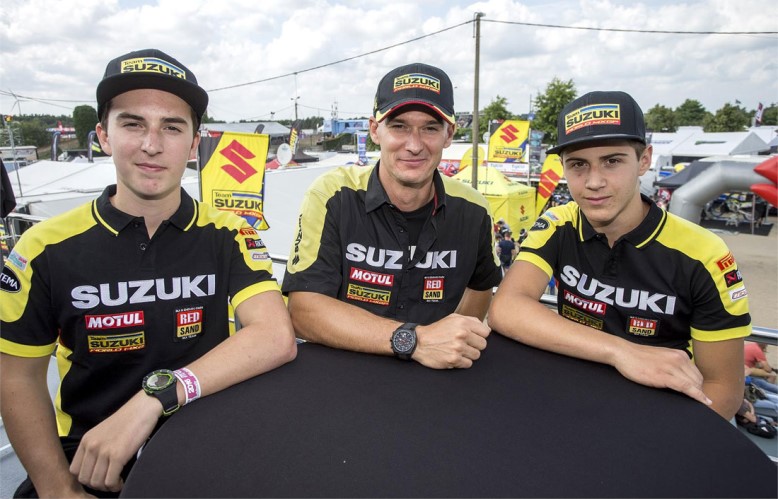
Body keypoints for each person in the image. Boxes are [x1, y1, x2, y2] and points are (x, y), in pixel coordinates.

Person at [0, 48, 297, 497]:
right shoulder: (42, 247)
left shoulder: (230, 233)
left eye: (172, 127)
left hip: (206, 454)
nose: (152, 145)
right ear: (103, 135)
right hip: (85, 463)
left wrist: (155, 398)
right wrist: (56, 488)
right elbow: (18, 377)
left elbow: (275, 335)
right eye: (133, 124)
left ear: (194, 144)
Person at [488, 90, 750, 420]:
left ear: (644, 160)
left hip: (661, 414)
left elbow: (723, 388)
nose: (594, 182)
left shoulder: (705, 253)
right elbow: (506, 308)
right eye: (578, 164)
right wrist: (622, 352)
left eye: (612, 161)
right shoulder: (559, 223)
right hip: (571, 402)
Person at [282, 62, 502, 369]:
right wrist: (415, 340)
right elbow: (303, 310)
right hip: (344, 373)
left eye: (430, 128)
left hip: (436, 380)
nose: (414, 145)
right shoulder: (332, 194)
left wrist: (449, 347)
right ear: (375, 130)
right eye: (399, 126)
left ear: (449, 134)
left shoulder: (473, 209)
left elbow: (481, 287)